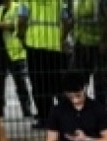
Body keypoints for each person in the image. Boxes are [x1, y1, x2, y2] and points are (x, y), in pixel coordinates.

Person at [0, 0, 36, 119]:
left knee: (20, 82)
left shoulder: (17, 8)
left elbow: (17, 25)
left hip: (15, 51)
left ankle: (26, 109)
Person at [22, 0, 68, 129]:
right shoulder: (58, 2)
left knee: (39, 86)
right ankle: (65, 117)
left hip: (34, 48)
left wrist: (22, 37)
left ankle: (45, 118)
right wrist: (61, 39)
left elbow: (21, 20)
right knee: (57, 84)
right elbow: (67, 21)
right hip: (54, 48)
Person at [70, 0, 107, 105]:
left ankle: (100, 111)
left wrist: (103, 41)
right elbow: (73, 19)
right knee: (78, 81)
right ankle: (80, 111)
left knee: (100, 83)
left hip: (99, 46)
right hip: (81, 44)